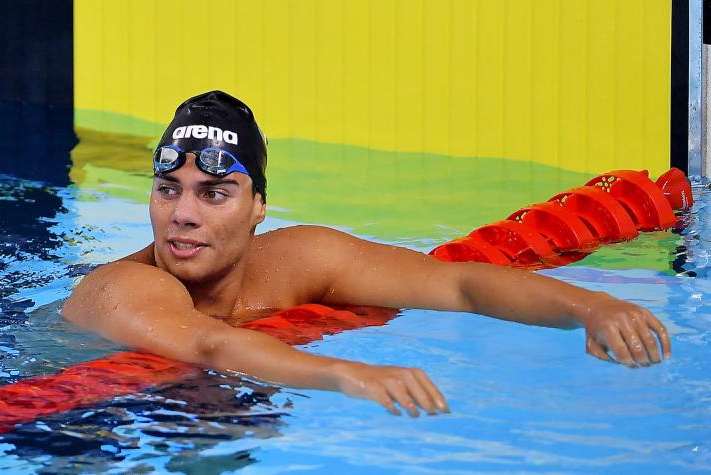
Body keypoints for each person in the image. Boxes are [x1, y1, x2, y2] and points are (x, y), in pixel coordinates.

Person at [62, 90, 671, 417]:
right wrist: (343, 373)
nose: (183, 214)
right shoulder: (123, 288)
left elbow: (458, 284)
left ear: (259, 208)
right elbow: (209, 345)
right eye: (168, 190)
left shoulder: (299, 259)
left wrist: (588, 307)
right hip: (80, 423)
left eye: (214, 193)